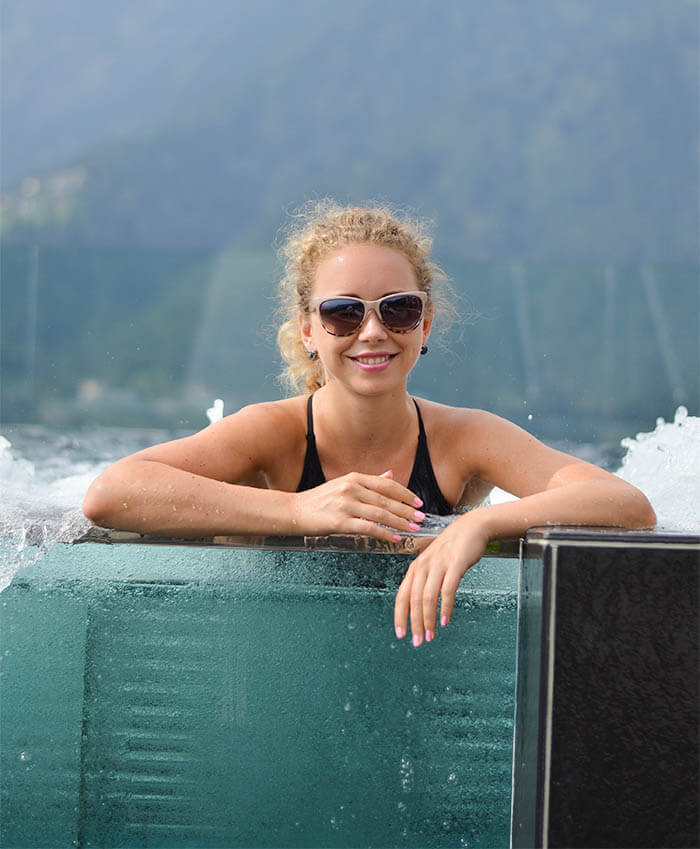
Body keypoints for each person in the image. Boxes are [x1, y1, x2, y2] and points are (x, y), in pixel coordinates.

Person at [82, 201, 656, 646]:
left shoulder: (462, 438)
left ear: (425, 323)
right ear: (308, 329)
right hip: (277, 661)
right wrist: (298, 509)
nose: (373, 331)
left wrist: (481, 526)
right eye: (343, 312)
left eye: (398, 308)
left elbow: (623, 504)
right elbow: (112, 493)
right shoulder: (274, 435)